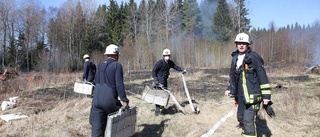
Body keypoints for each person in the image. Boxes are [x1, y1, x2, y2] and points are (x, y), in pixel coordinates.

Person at [225, 32, 272, 137]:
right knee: (241, 117)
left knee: (248, 121)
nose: (241, 45)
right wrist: (229, 88)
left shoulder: (254, 57)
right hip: (241, 97)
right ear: (236, 44)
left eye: (244, 43)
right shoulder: (235, 58)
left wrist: (266, 97)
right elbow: (234, 77)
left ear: (247, 45)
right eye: (239, 43)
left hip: (253, 96)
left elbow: (262, 76)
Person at [89, 44, 130, 137]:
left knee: (97, 133)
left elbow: (95, 82)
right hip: (110, 101)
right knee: (118, 128)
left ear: (107, 54)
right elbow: (119, 84)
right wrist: (124, 100)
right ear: (116, 55)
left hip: (96, 101)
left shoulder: (99, 65)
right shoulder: (117, 65)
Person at [152, 48, 187, 115]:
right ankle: (157, 112)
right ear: (163, 56)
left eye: (168, 55)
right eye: (165, 55)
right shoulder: (159, 63)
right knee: (158, 97)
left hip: (164, 81)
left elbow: (176, 67)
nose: (167, 56)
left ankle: (162, 110)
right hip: (158, 82)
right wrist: (155, 79)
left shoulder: (170, 63)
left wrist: (182, 69)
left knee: (164, 97)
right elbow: (153, 71)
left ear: (170, 55)